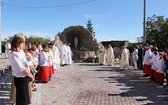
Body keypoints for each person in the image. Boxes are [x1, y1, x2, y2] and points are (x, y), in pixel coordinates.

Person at [9, 35, 34, 105]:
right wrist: (31, 76)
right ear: (19, 43)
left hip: (20, 79)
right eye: (23, 43)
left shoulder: (17, 53)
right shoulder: (16, 54)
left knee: (23, 99)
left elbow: (23, 61)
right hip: (22, 79)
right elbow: (24, 68)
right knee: (23, 100)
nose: (24, 44)